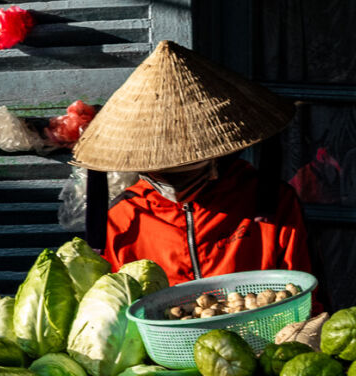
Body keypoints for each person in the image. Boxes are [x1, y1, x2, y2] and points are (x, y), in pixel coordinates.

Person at [71, 40, 315, 285]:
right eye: (161, 170)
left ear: (216, 158)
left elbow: (302, 292)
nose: (173, 179)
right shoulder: (122, 217)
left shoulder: (268, 200)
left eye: (184, 167)